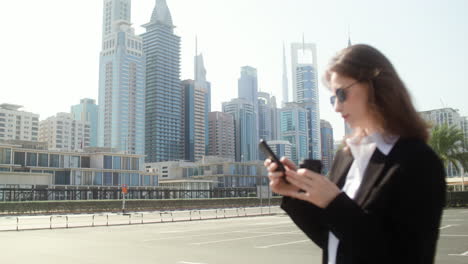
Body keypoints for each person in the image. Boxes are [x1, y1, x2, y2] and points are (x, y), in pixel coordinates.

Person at [265, 44, 446, 264]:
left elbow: (406, 255)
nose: (337, 108)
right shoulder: (346, 156)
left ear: (375, 84)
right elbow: (334, 240)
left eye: (342, 94)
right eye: (333, 98)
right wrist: (296, 195)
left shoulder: (418, 161)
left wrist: (333, 202)